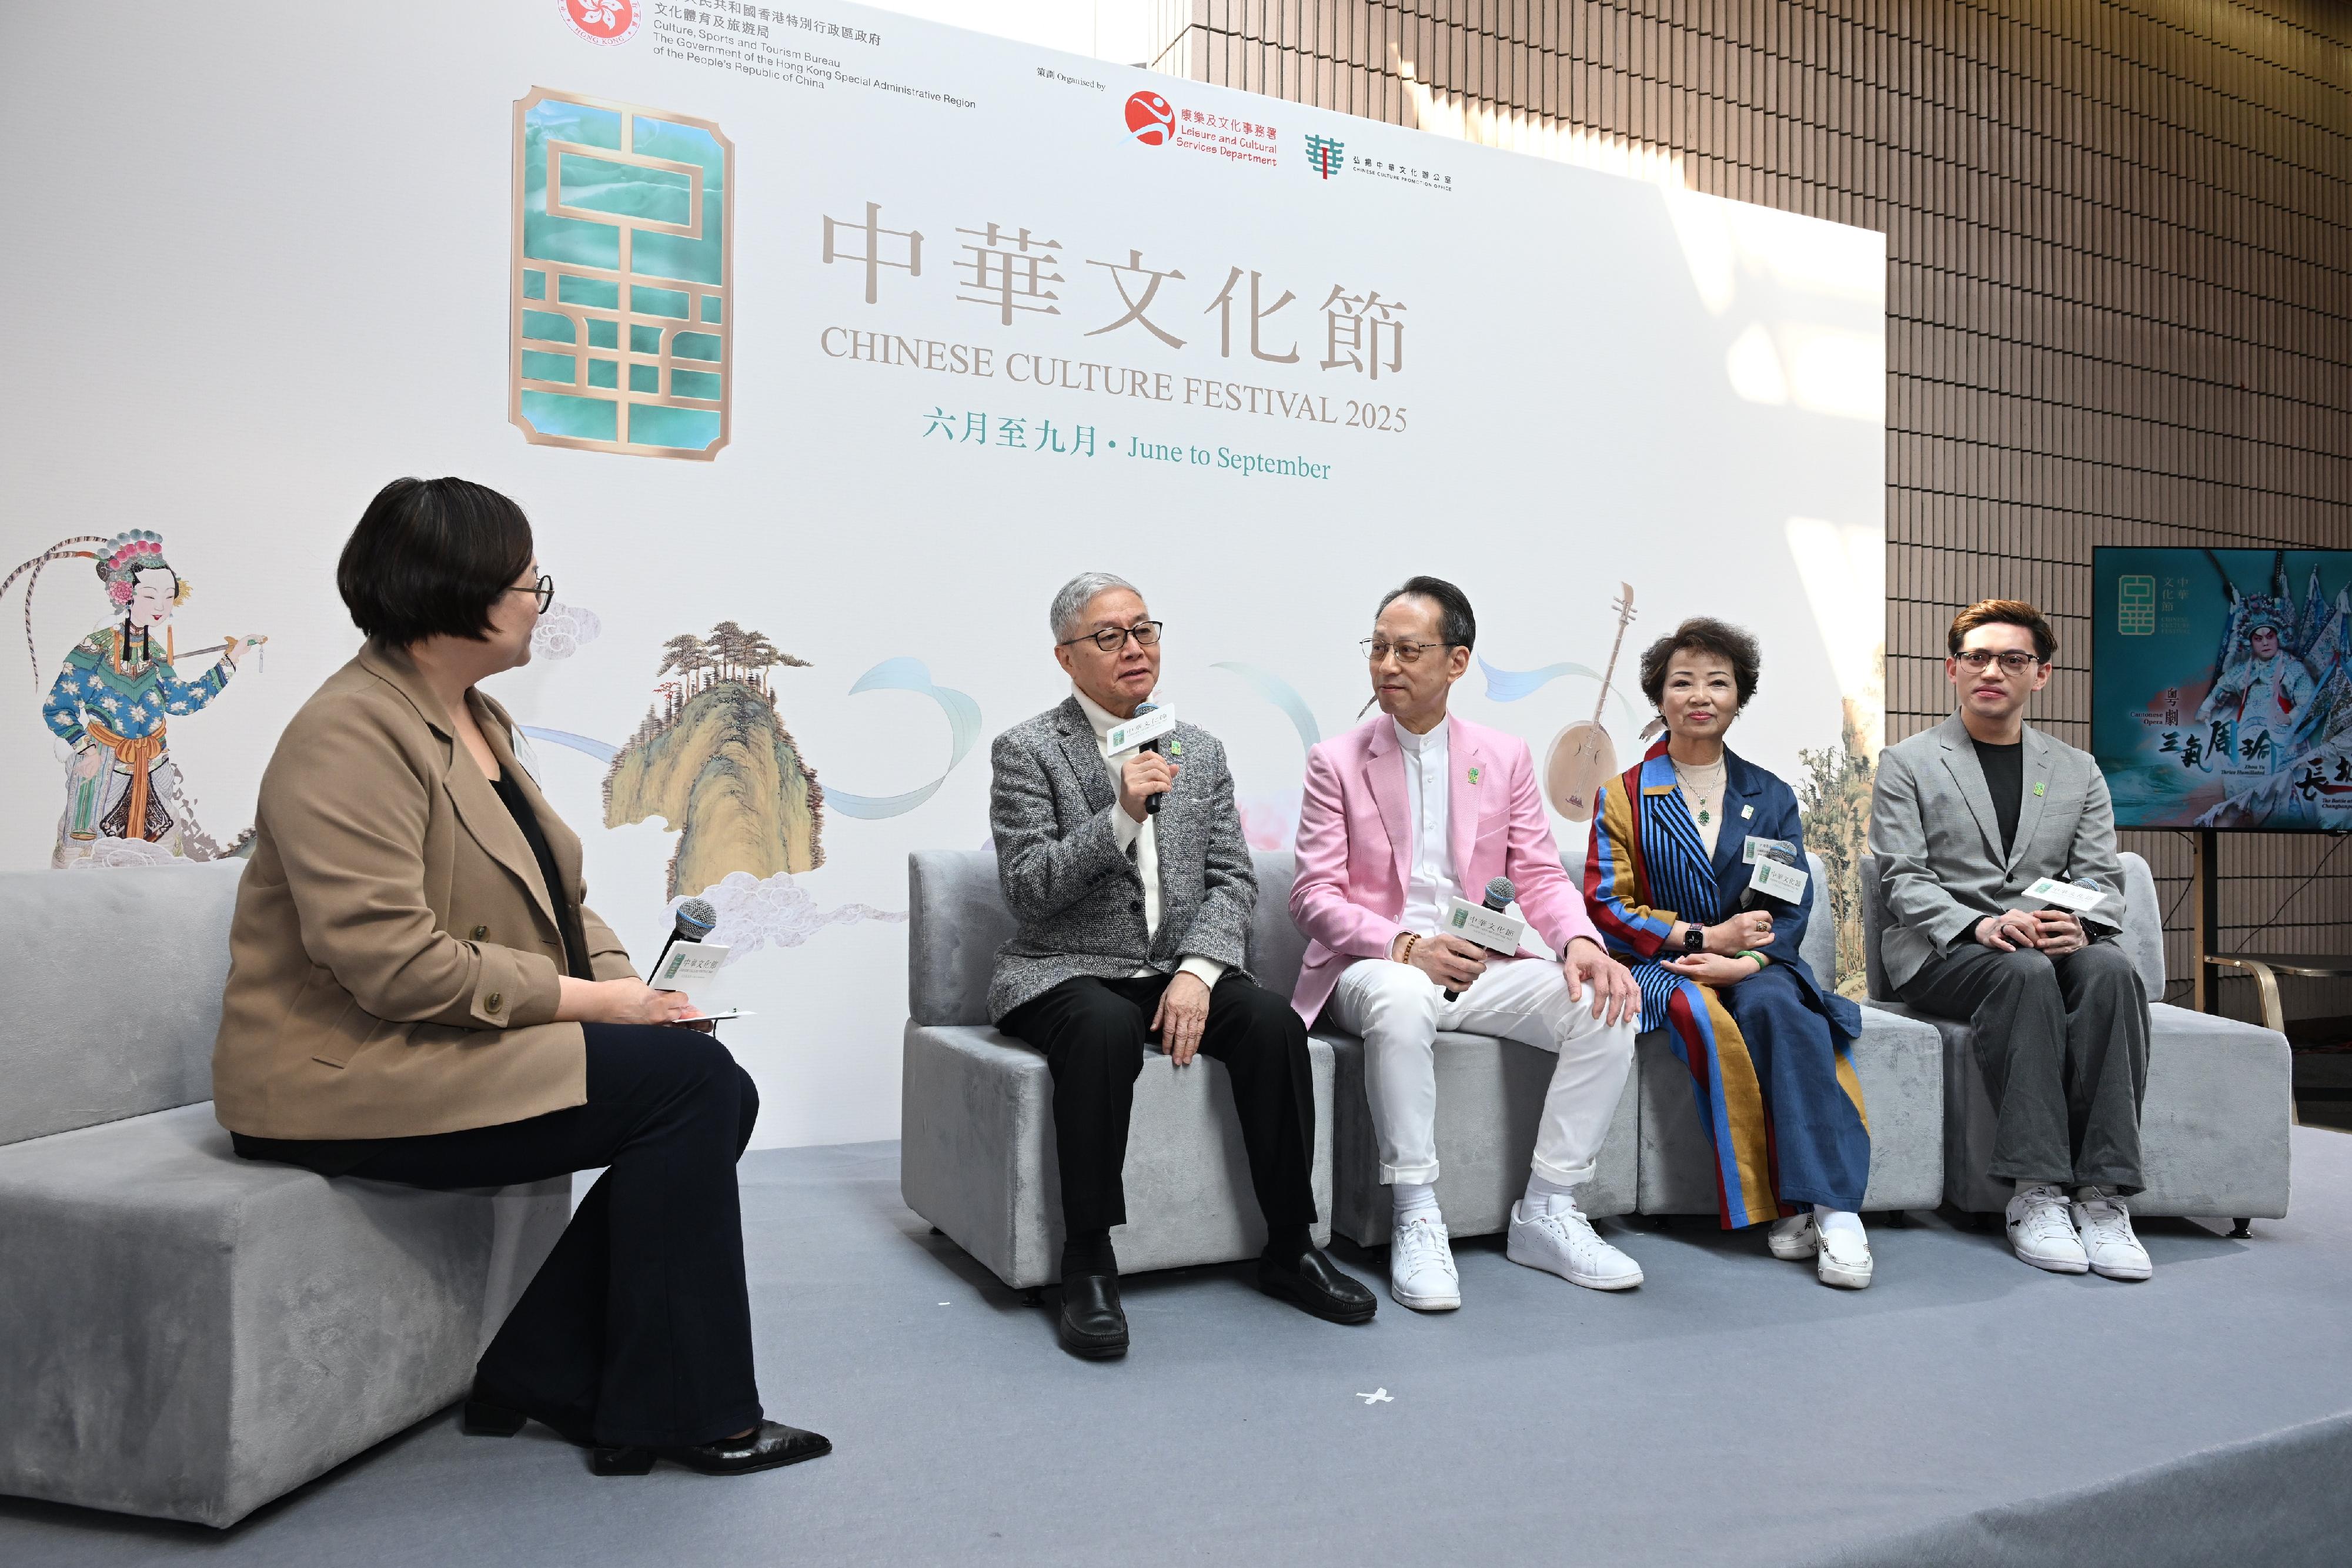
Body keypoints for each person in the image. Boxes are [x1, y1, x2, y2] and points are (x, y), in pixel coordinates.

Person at [212, 476, 829, 1475]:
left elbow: (560, 902)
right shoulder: (348, 732)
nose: (541, 601)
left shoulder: (476, 716)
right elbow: (390, 960)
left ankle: (559, 1373)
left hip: (431, 1042)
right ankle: (670, 1405)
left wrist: (642, 997)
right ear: (455, 590)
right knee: (696, 1092)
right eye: (528, 582)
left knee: (706, 1082)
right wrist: (601, 1004)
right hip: (341, 1073)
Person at [991, 571, 1376, 1358]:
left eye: (1144, 629)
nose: (1134, 648)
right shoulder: (1028, 750)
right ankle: (1087, 1261)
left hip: (1177, 964)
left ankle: (1290, 1245)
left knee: (1273, 1023)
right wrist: (1120, 816)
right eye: (1109, 636)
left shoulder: (1195, 748)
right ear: (1066, 656)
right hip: (1065, 967)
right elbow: (1029, 890)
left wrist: (1200, 970)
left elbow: (1232, 878)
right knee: (1100, 1027)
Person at [1289, 576, 1643, 1310]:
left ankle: (1549, 1209)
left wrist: (1578, 941)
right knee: (1401, 1000)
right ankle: (1417, 1214)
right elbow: (1313, 898)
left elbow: (1538, 873)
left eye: (1407, 650)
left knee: (1604, 1003)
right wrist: (1405, 946)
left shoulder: (1503, 755)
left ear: (1456, 662)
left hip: (1484, 965)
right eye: (1378, 649)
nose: (1387, 665)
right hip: (1374, 964)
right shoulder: (1335, 760)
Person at [1583, 618, 1874, 1288]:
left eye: (1717, 682)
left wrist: (1745, 963)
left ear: (1739, 697)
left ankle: (1834, 1211)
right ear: (1659, 697)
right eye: (1682, 682)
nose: (1699, 696)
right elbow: (1606, 904)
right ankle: (1780, 1202)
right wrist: (1701, 939)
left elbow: (1789, 904)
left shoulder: (1769, 795)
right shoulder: (1623, 795)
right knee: (1701, 1013)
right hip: (1664, 963)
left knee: (1783, 1010)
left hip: (1752, 962)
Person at [1870, 599, 2151, 1281]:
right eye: (1976, 658)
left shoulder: (2077, 769)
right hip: (1945, 949)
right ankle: (2036, 1191)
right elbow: (1902, 877)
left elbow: (2098, 877)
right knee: (2022, 973)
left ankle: (2104, 1194)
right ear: (1952, 669)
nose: (1991, 671)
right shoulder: (1908, 762)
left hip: (2043, 940)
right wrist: (1979, 924)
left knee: (2111, 970)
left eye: (2011, 659)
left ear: (2040, 674)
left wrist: (2079, 924)